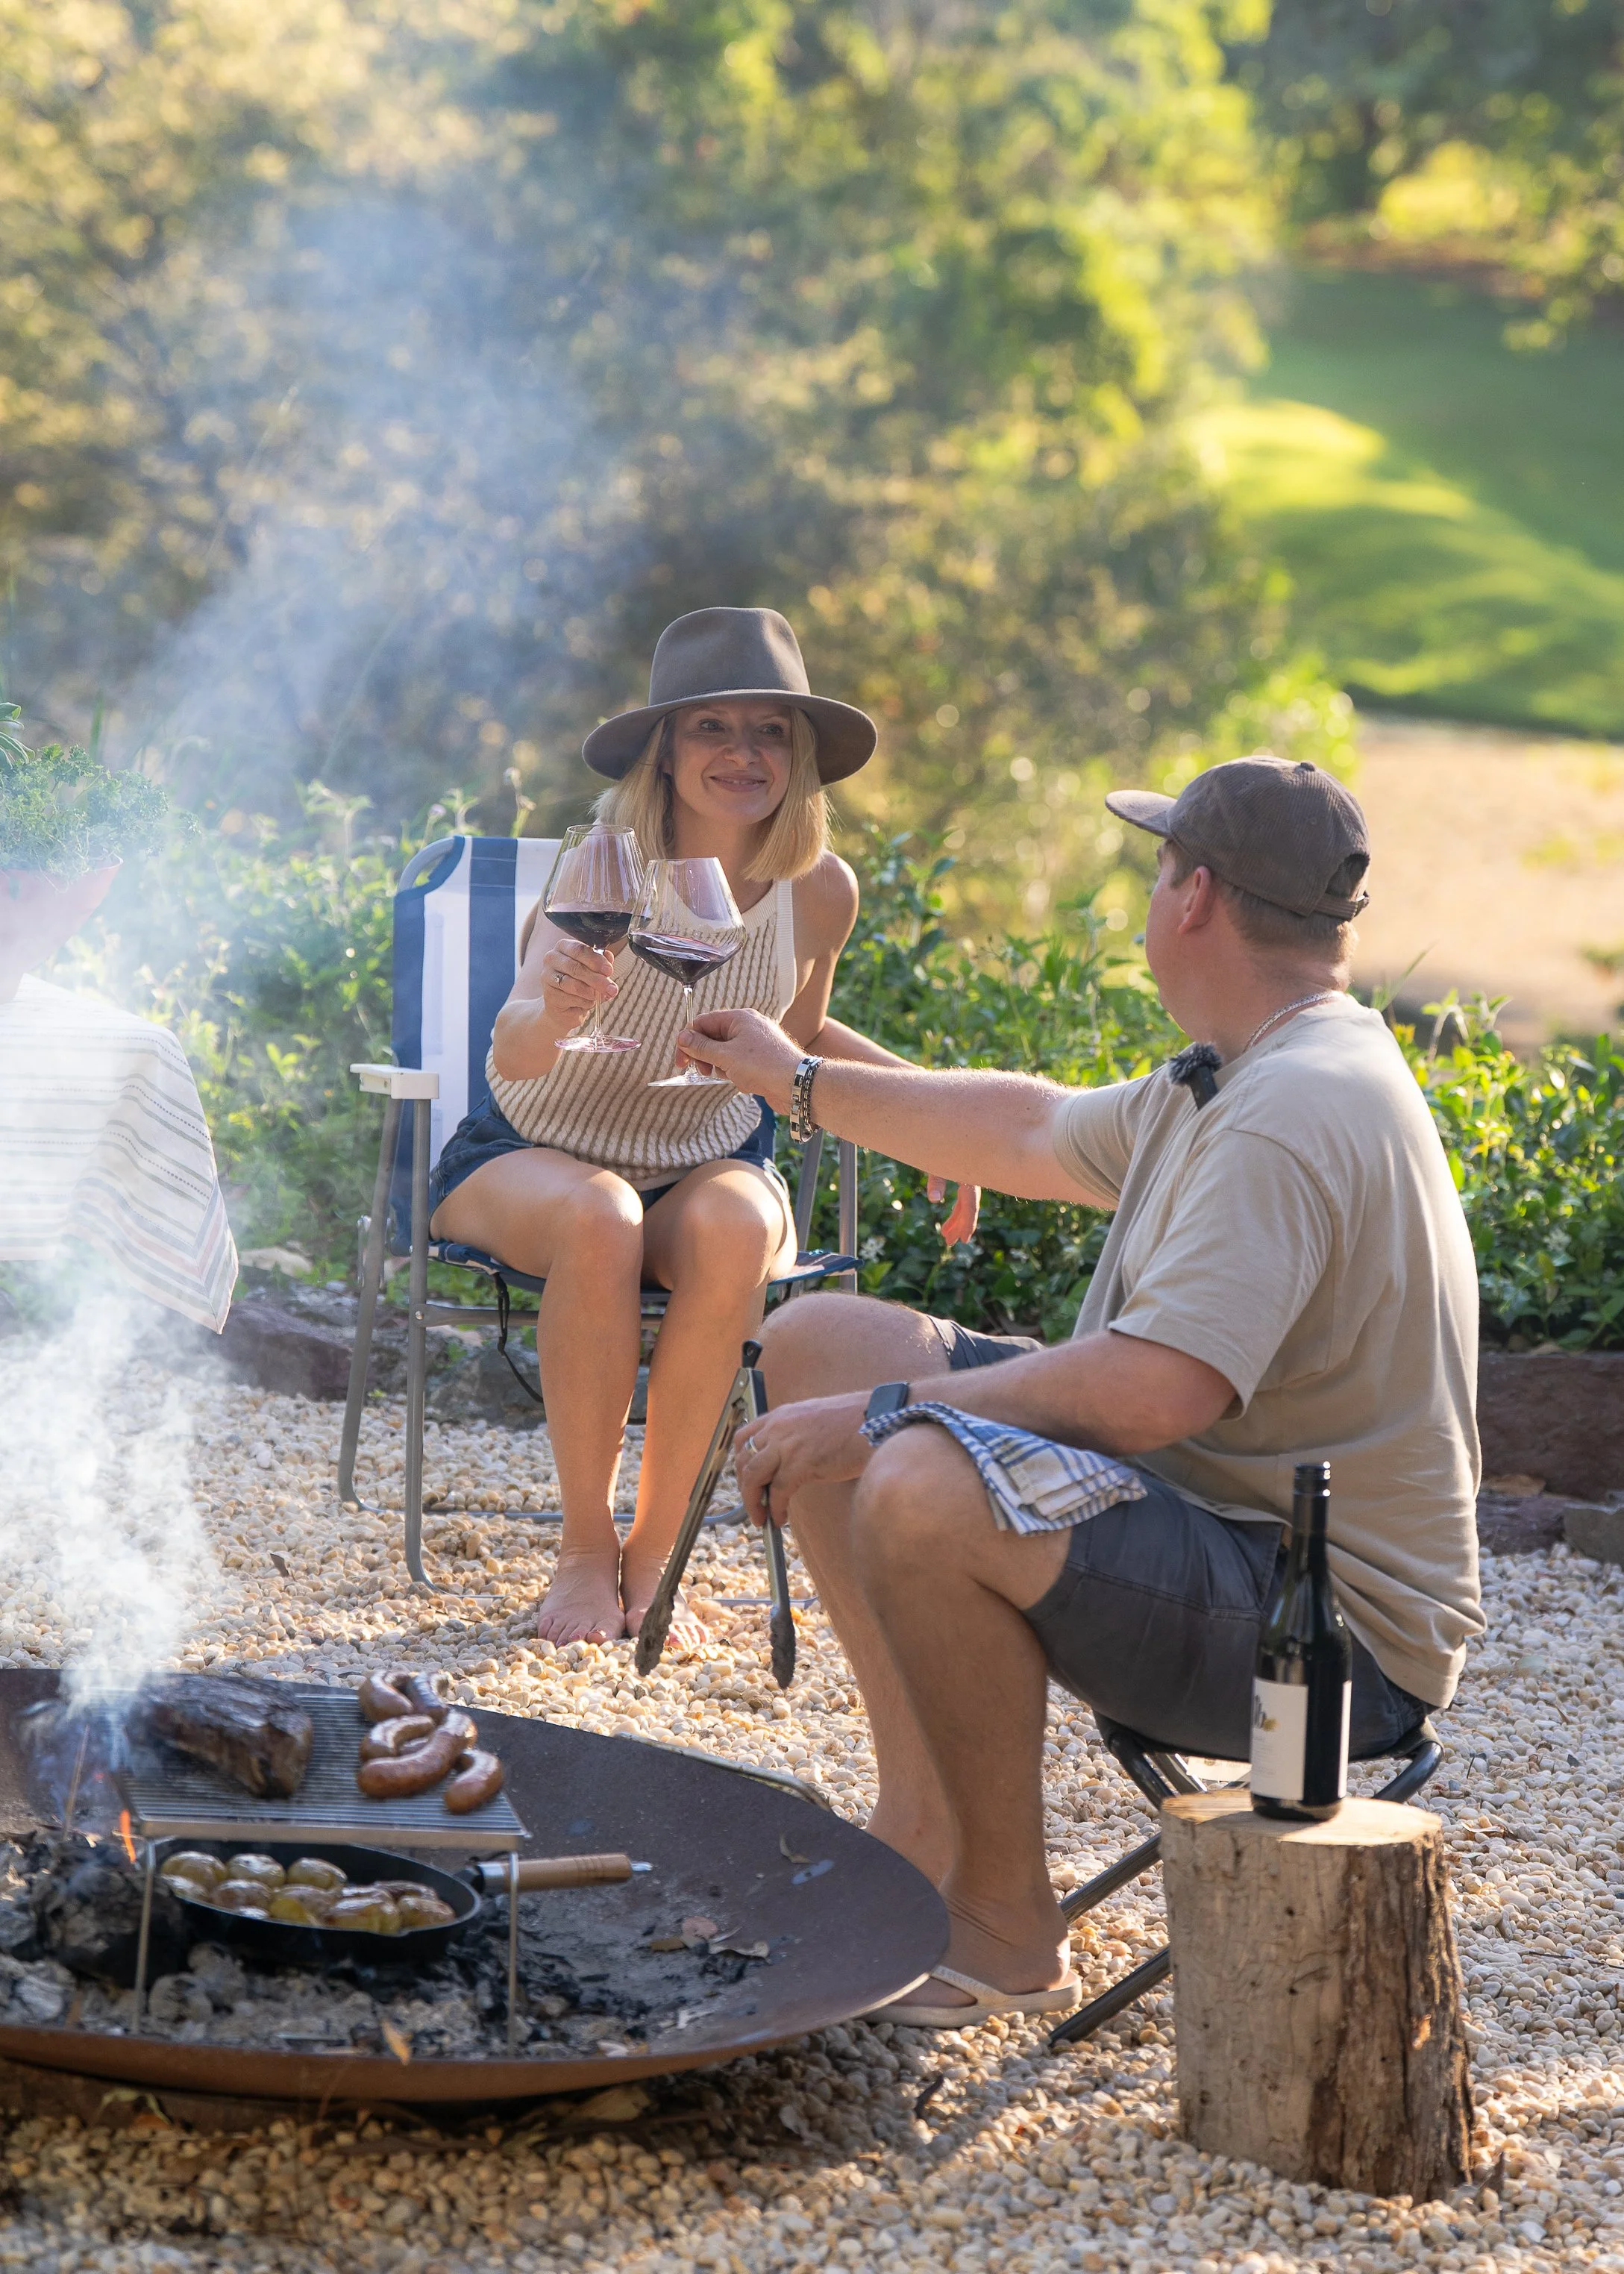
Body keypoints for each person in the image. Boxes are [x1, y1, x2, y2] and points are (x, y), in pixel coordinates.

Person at [683, 755, 1483, 2027]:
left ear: (1198, 897)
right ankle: (921, 1829)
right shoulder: (1241, 1066)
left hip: (1323, 1633)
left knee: (921, 1481)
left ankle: (1005, 1926)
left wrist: (886, 1420)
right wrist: (797, 1078)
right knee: (824, 1337)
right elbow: (1025, 1131)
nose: (1154, 891)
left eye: (1160, 867)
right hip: (1203, 1517)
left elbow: (1156, 1391)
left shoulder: (1291, 1110)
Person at [429, 607, 975, 1649]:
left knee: (731, 1227)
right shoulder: (604, 864)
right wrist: (559, 1011)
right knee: (598, 1215)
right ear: (666, 751)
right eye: (713, 727)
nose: (743, 752)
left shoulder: (821, 892)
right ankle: (585, 1555)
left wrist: (937, 1121)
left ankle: (656, 1554)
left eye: (771, 731)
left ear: (800, 756)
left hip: (708, 1155)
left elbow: (797, 1053)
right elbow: (514, 1045)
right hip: (536, 1151)